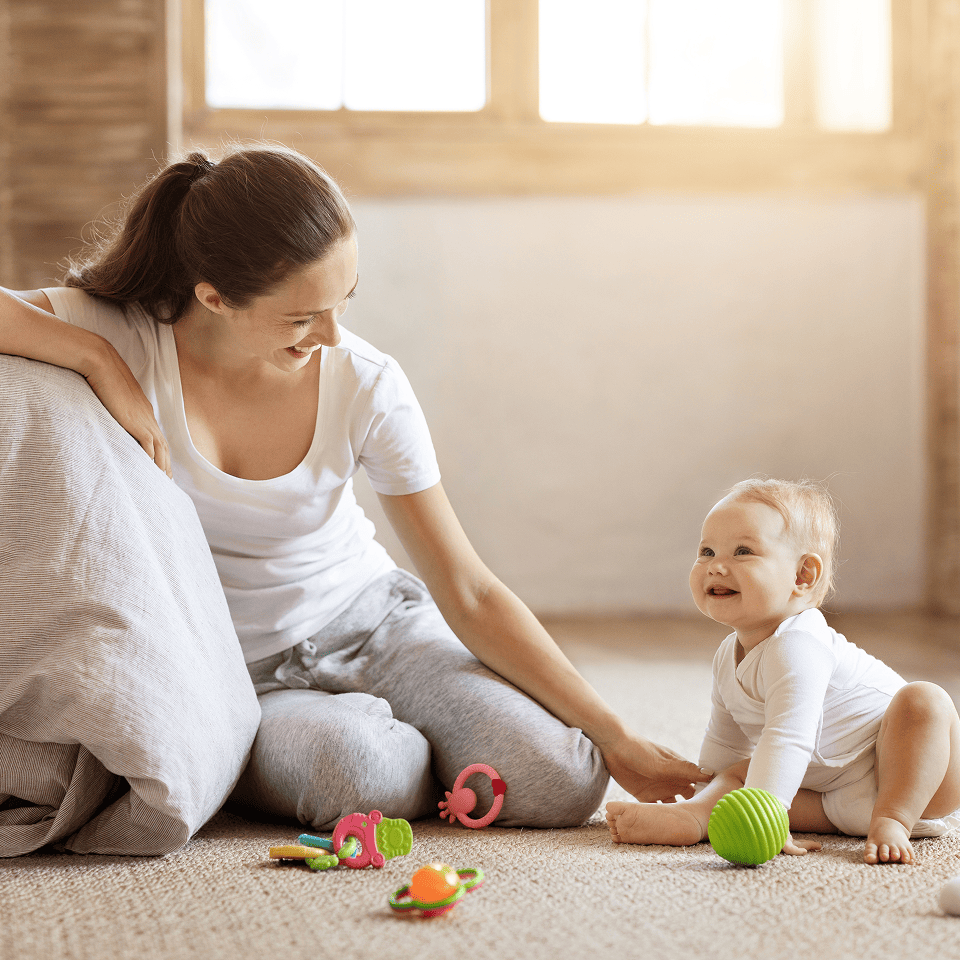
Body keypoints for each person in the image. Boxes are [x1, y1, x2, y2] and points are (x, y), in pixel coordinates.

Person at [0, 143, 710, 831]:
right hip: (242, 677)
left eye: (345, 299)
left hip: (374, 625)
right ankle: (394, 748)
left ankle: (432, 739)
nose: (335, 335)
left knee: (562, 777)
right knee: (361, 775)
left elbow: (467, 587)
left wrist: (615, 735)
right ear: (213, 297)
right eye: (302, 317)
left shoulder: (367, 383)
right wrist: (91, 355)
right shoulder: (122, 333)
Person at [606, 478, 960, 864]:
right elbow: (725, 742)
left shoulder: (799, 643)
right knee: (738, 776)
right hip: (831, 799)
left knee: (924, 699)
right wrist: (706, 789)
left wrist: (768, 814)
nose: (716, 566)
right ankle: (693, 817)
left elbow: (788, 736)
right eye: (706, 551)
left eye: (743, 551)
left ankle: (894, 819)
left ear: (802, 576)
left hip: (914, 779)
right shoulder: (729, 655)